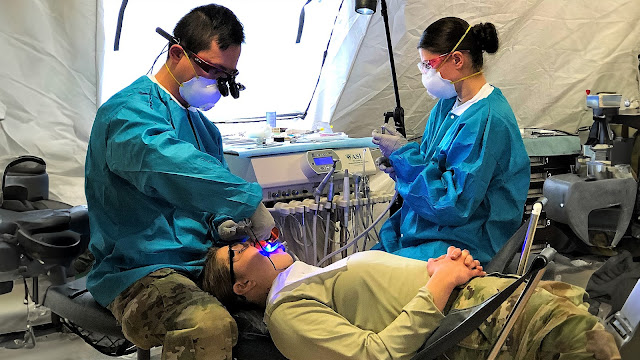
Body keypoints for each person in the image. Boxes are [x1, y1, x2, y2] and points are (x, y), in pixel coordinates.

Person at [84, 4, 275, 359]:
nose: (219, 84)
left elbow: (208, 199)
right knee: (207, 326)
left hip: (201, 262)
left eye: (227, 75)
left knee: (294, 299)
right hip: (139, 271)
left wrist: (229, 225)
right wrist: (247, 201)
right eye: (213, 71)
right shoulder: (126, 115)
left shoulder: (205, 129)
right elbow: (167, 164)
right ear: (177, 53)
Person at [202, 243, 621, 360]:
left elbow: (386, 294)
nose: (253, 244)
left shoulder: (309, 277)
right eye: (238, 252)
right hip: (476, 325)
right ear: (240, 287)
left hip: (483, 298)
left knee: (603, 333)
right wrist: (442, 282)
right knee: (596, 343)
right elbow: (376, 354)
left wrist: (440, 267)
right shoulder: (286, 314)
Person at [371, 17, 530, 265]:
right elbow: (432, 167)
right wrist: (399, 165)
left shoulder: (487, 119)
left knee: (368, 275)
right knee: (361, 265)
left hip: (467, 242)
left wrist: (405, 158)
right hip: (431, 230)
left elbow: (453, 203)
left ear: (457, 59)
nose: (425, 73)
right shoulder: (448, 106)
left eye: (429, 64)